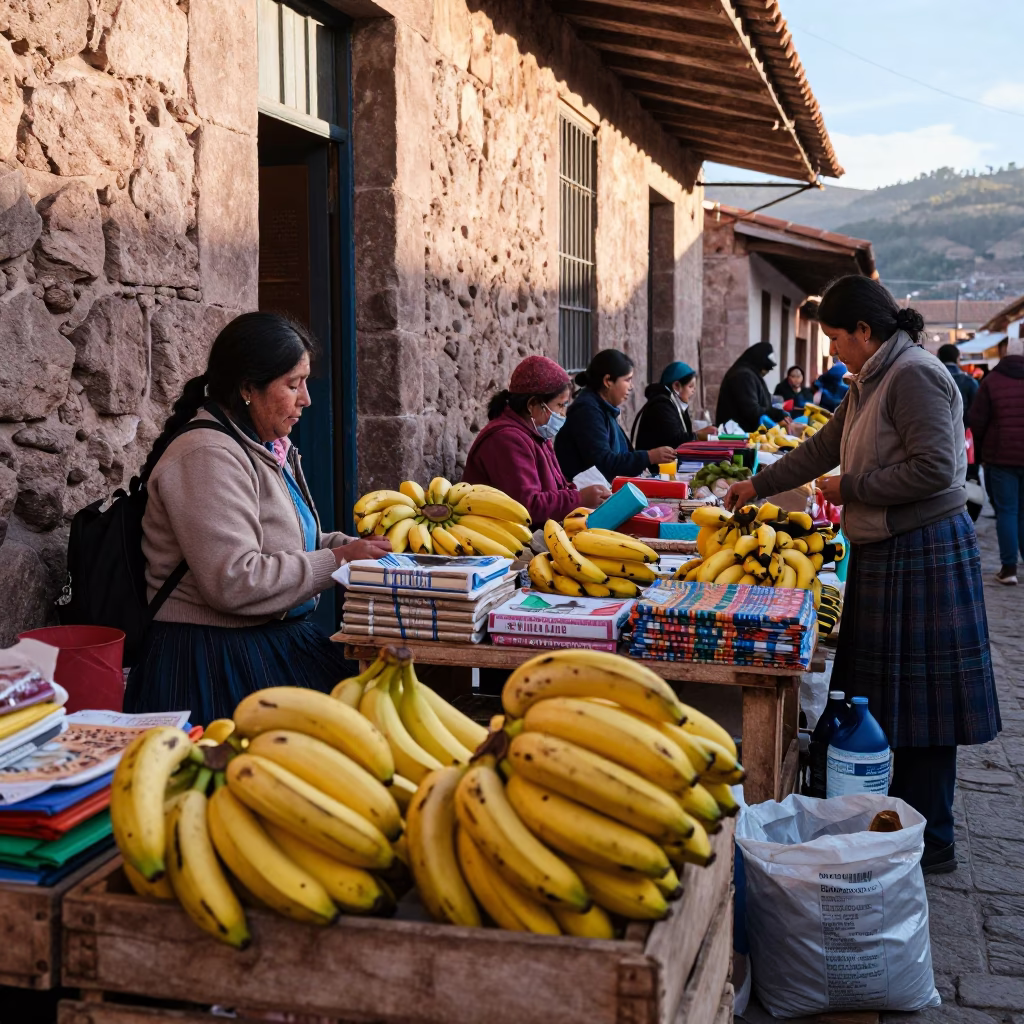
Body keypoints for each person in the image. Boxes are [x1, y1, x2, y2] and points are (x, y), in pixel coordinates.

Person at [724, 276, 999, 875]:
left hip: (923, 546)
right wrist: (758, 483)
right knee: (888, 698)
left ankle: (935, 838)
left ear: (865, 332)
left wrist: (851, 488)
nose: (832, 353)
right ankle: (889, 821)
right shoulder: (870, 379)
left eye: (836, 339)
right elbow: (823, 446)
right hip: (886, 546)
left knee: (923, 705)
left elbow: (937, 469)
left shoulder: (915, 375)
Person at [123, 313, 391, 723]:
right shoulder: (207, 455)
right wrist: (339, 560)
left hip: (266, 642)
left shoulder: (261, 446)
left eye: (305, 382)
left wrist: (357, 549)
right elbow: (233, 579)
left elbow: (285, 545)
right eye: (293, 384)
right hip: (214, 661)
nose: (306, 399)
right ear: (248, 387)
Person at [462, 355, 611, 523]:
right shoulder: (506, 439)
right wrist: (579, 499)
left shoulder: (537, 434)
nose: (563, 413)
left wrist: (584, 493)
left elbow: (556, 488)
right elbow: (526, 507)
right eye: (560, 405)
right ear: (532, 405)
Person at [555, 350, 676, 483]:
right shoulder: (587, 412)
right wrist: (650, 456)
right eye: (627, 380)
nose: (631, 386)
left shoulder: (604, 408)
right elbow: (605, 463)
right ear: (608, 381)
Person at [968, 350, 1024, 584]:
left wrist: (979, 453)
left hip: (1001, 457)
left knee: (1007, 512)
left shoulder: (992, 381)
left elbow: (977, 422)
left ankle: (1009, 569)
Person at [631, 361, 716, 451]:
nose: (693, 391)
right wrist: (698, 434)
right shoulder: (661, 406)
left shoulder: (675, 403)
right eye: (690, 386)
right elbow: (674, 441)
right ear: (676, 386)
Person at [714, 342, 792, 433]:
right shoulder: (743, 376)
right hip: (737, 435)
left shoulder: (752, 374)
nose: (765, 372)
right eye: (766, 368)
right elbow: (751, 410)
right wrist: (776, 414)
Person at [938, 343, 980, 425]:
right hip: (962, 426)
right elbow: (977, 407)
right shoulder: (969, 380)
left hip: (937, 426)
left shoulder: (931, 378)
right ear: (958, 358)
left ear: (939, 357)